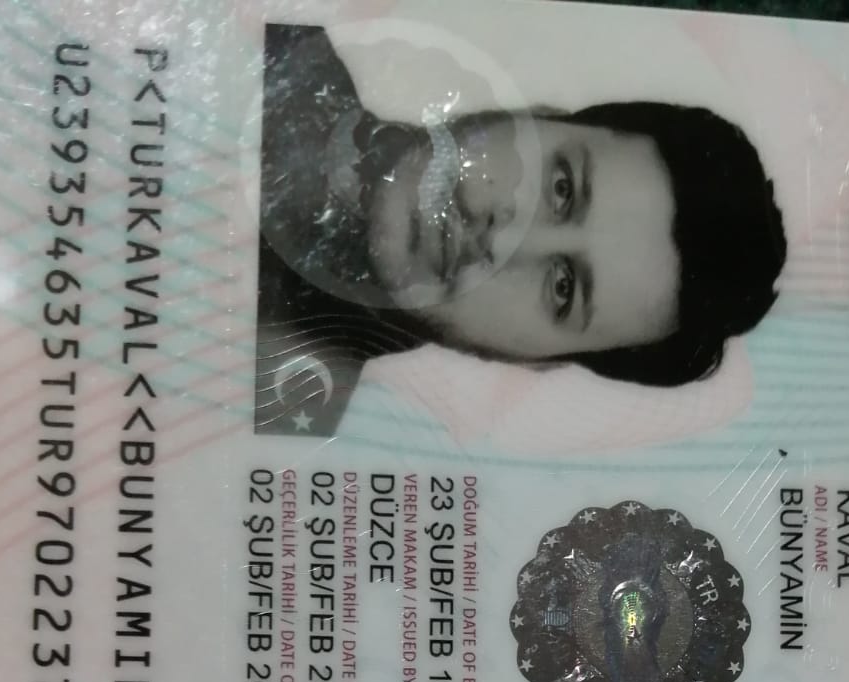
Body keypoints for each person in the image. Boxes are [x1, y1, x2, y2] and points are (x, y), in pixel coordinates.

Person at [255, 22, 787, 434]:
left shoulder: (277, 415)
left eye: (563, 289)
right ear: (537, 114)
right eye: (562, 188)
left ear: (536, 363)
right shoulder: (267, 46)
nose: (504, 241)